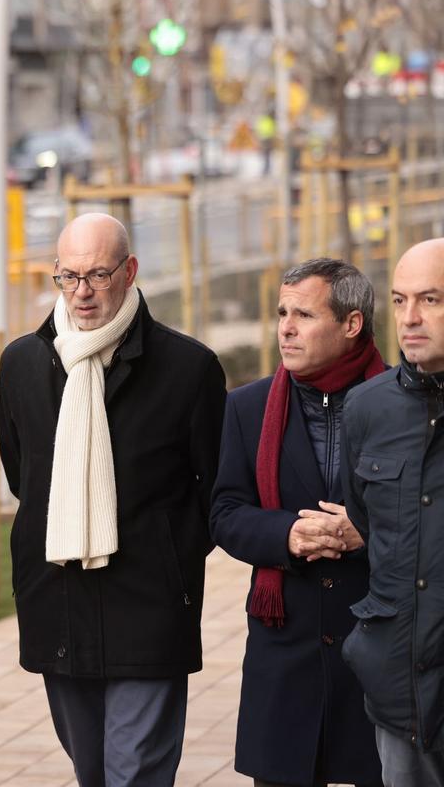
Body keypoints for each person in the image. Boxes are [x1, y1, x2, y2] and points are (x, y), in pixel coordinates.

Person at [0, 212, 226, 787]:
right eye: (68, 277)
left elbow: (211, 489)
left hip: (150, 606)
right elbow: (26, 477)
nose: (82, 292)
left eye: (98, 274)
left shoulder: (188, 368)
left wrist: (165, 555)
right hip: (60, 602)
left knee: (135, 774)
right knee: (93, 772)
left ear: (130, 271)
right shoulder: (23, 364)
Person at [211, 259, 384, 787]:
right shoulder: (246, 407)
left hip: (381, 651)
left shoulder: (407, 401)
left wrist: (369, 533)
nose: (285, 327)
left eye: (304, 314)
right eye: (282, 312)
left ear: (351, 324)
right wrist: (284, 534)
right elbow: (224, 513)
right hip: (285, 654)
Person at [341, 238, 444, 786]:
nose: (411, 318)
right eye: (401, 301)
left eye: (430, 300)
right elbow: (364, 519)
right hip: (399, 688)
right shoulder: (367, 408)